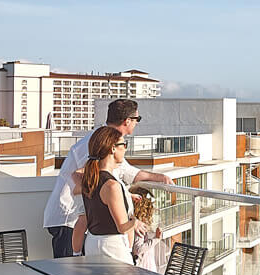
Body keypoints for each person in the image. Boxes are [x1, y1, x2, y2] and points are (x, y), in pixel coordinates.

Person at [43, 99, 171, 258]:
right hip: (69, 219)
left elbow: (127, 173)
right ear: (127, 121)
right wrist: (118, 197)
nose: (137, 124)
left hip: (88, 225)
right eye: (137, 119)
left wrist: (161, 178)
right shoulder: (98, 141)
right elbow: (84, 176)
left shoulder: (110, 143)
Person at [79, 127, 138, 262]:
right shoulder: (112, 185)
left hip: (92, 243)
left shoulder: (90, 179)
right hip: (112, 247)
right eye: (123, 144)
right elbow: (122, 227)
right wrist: (135, 221)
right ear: (112, 148)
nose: (125, 149)